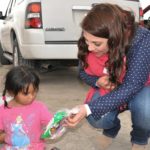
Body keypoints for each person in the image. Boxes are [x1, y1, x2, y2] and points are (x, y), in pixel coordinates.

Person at [65, 3, 150, 150]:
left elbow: (133, 85)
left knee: (145, 109)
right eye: (87, 41)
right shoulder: (93, 33)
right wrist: (96, 81)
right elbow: (82, 71)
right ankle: (111, 130)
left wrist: (87, 108)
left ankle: (140, 138)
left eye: (97, 44)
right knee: (95, 117)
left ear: (114, 38)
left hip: (141, 87)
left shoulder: (141, 39)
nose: (90, 48)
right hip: (111, 88)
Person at [0, 66, 56, 150]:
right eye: (26, 93)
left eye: (34, 91)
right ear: (11, 92)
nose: (31, 96)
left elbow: (53, 125)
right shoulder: (2, 110)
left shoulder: (39, 108)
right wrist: (4, 137)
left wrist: (50, 131)